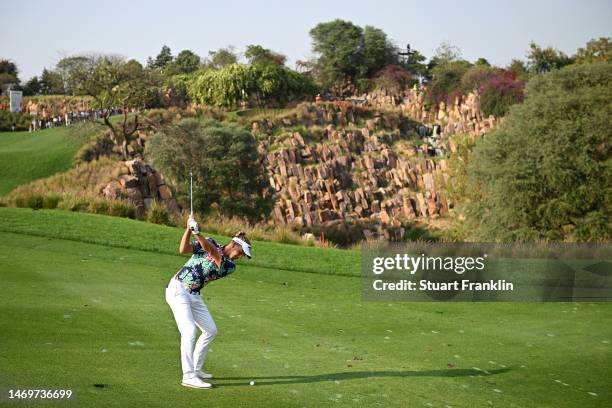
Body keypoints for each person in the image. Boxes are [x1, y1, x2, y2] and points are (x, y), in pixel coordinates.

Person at [165, 216, 252, 389]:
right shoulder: (210, 242)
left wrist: (197, 232)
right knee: (189, 332)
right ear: (234, 245)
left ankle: (196, 369)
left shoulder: (229, 266)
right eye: (240, 252)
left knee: (210, 330)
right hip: (178, 289)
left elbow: (212, 252)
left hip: (195, 295)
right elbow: (184, 249)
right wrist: (189, 229)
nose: (240, 257)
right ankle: (188, 376)